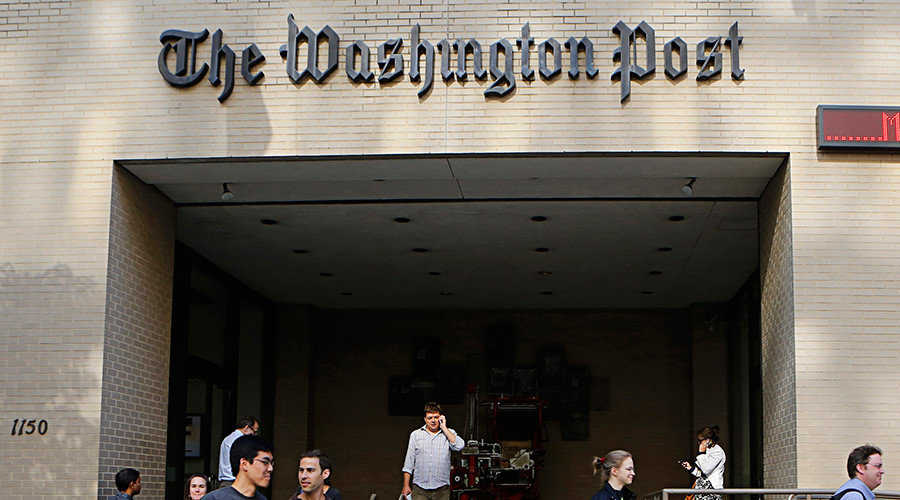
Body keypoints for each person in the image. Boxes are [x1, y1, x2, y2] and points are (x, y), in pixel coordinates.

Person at [401, 402, 464, 500]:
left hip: (442, 490)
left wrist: (444, 428)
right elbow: (409, 462)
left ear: (441, 418)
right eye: (430, 418)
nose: (433, 421)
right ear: (425, 419)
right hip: (420, 489)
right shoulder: (416, 435)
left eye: (436, 417)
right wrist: (405, 485)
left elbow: (460, 446)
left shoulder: (448, 433)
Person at [203, 435, 274, 500]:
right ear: (244, 464)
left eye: (271, 463)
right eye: (265, 462)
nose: (270, 468)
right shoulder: (214, 498)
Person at [679, 426, 726, 500]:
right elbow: (702, 473)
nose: (699, 443)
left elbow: (706, 469)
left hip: (711, 490)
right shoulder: (708, 451)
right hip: (702, 489)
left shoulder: (717, 451)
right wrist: (691, 468)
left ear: (708, 440)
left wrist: (701, 453)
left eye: (700, 440)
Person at [218, 416, 260, 488]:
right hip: (234, 481)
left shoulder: (229, 438)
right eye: (254, 432)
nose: (255, 435)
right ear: (246, 428)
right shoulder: (240, 441)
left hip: (227, 481)